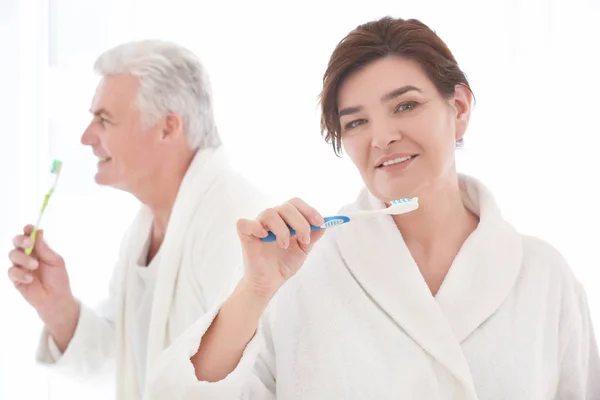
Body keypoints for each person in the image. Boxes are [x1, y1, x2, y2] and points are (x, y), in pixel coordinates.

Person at [145, 17, 600, 400]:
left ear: (458, 107)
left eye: (405, 105)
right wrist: (256, 289)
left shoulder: (544, 277)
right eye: (357, 121)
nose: (381, 137)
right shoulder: (301, 274)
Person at [6, 40, 268, 400]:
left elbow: (242, 380)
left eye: (104, 119)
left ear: (167, 128)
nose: (86, 137)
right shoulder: (144, 228)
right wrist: (58, 307)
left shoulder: (234, 223)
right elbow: (124, 361)